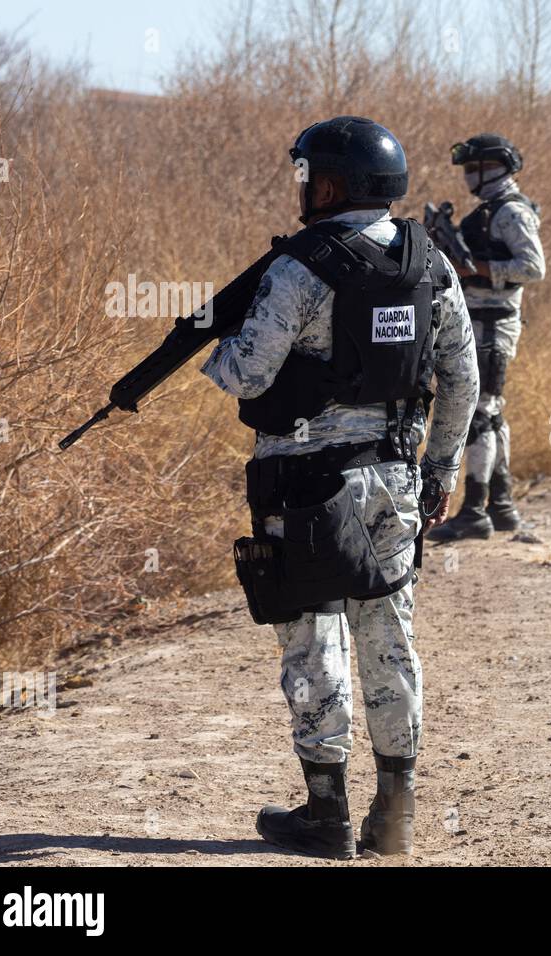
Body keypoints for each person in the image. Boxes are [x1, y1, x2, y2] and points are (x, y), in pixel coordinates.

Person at [200, 116, 479, 858]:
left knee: (313, 639)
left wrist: (215, 340)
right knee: (390, 639)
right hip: (394, 478)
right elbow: (463, 380)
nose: (302, 188)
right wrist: (439, 471)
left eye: (308, 176)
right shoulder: (432, 263)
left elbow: (246, 374)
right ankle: (396, 815)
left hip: (303, 486)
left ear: (330, 186)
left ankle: (326, 815)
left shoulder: (297, 270)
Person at [428, 133, 545, 541]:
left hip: (493, 326)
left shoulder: (510, 211)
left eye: (472, 168)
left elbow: (533, 268)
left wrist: (475, 268)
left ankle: (474, 512)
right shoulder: (490, 210)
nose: (466, 176)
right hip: (483, 323)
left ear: (489, 169)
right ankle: (501, 507)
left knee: (480, 414)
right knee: (491, 414)